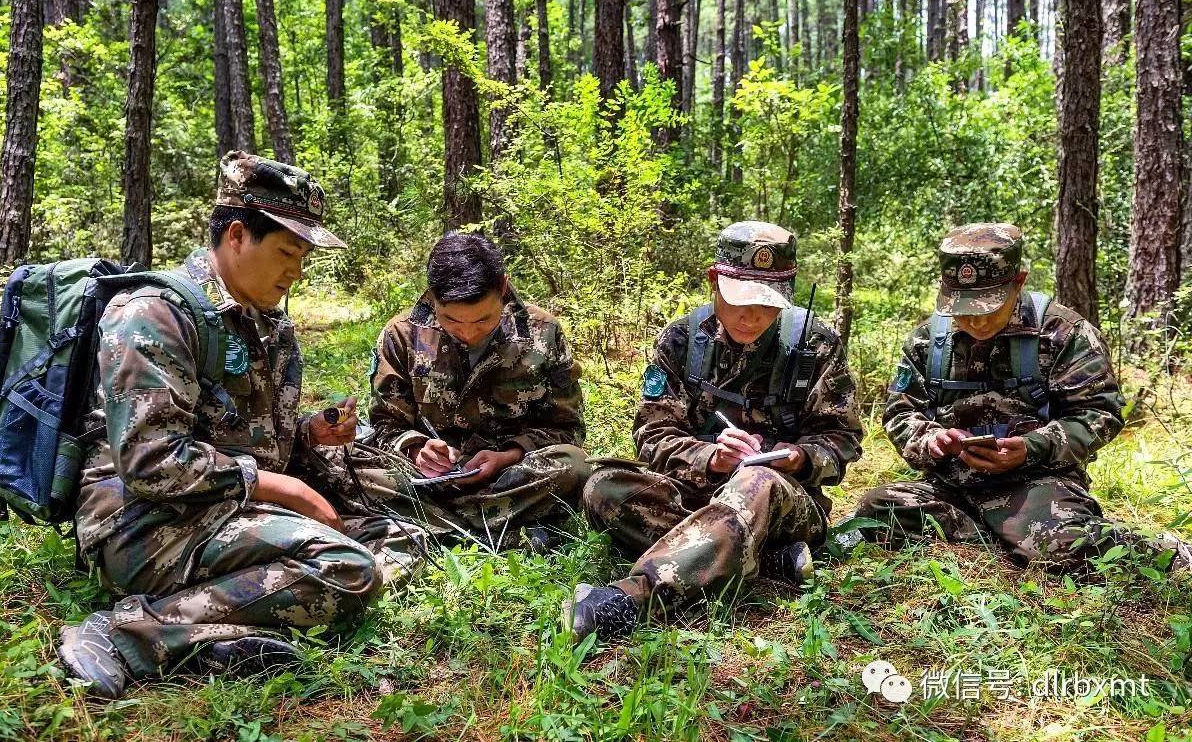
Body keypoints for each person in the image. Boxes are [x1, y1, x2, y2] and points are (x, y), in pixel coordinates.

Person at [59, 151, 389, 698]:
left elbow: (254, 436)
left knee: (393, 532)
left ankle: (218, 643)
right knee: (348, 566)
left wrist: (309, 435)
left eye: (304, 256)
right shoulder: (153, 313)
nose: (296, 271)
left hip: (222, 508)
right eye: (287, 251)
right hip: (147, 524)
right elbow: (149, 461)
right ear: (237, 235)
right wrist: (275, 485)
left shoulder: (267, 321)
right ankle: (124, 636)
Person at [565, 222, 863, 643]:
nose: (751, 315)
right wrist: (711, 458)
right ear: (714, 281)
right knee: (604, 487)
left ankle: (630, 601)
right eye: (739, 299)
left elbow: (843, 440)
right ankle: (762, 558)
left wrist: (796, 457)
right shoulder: (684, 339)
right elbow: (653, 433)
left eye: (767, 303)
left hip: (784, 504)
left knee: (755, 479)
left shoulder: (816, 345)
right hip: (698, 489)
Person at [855, 222, 1191, 572]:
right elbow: (901, 413)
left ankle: (1167, 553)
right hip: (952, 487)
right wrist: (933, 440)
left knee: (1062, 547)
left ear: (1019, 281)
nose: (977, 322)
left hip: (1036, 484)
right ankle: (1012, 540)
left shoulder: (1062, 334)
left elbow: (1099, 413)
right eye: (964, 309)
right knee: (876, 511)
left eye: (988, 308)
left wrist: (1032, 447)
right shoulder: (927, 342)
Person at [321, 232, 591, 550]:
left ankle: (437, 526)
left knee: (574, 467)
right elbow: (385, 424)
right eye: (451, 320)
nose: (467, 332)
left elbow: (566, 427)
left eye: (482, 320)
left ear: (502, 288)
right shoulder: (403, 335)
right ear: (433, 296)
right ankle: (493, 527)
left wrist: (509, 455)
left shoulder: (542, 334)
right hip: (423, 478)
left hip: (507, 476)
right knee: (336, 462)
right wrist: (415, 448)